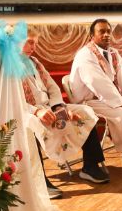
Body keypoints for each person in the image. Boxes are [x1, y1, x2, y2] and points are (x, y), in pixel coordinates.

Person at [68, 18, 122, 182]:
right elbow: (98, 84)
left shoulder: (113, 53)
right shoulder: (85, 55)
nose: (107, 35)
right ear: (92, 35)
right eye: (102, 31)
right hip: (91, 101)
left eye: (108, 31)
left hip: (113, 98)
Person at [21, 27, 104, 197]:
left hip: (49, 107)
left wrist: (58, 108)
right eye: (29, 42)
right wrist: (37, 112)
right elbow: (14, 99)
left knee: (86, 112)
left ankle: (90, 166)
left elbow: (52, 87)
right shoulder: (8, 67)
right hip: (27, 112)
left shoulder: (34, 62)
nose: (33, 47)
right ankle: (40, 182)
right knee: (32, 125)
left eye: (35, 43)